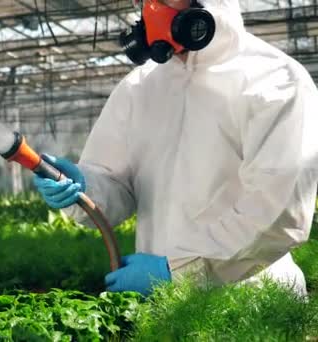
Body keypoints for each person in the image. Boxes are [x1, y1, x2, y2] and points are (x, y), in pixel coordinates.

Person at [34, 0, 318, 297]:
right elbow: (116, 184)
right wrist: (83, 186)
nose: (147, 6)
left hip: (253, 303)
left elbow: (276, 216)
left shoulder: (275, 81)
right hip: (163, 307)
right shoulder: (138, 88)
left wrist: (179, 271)